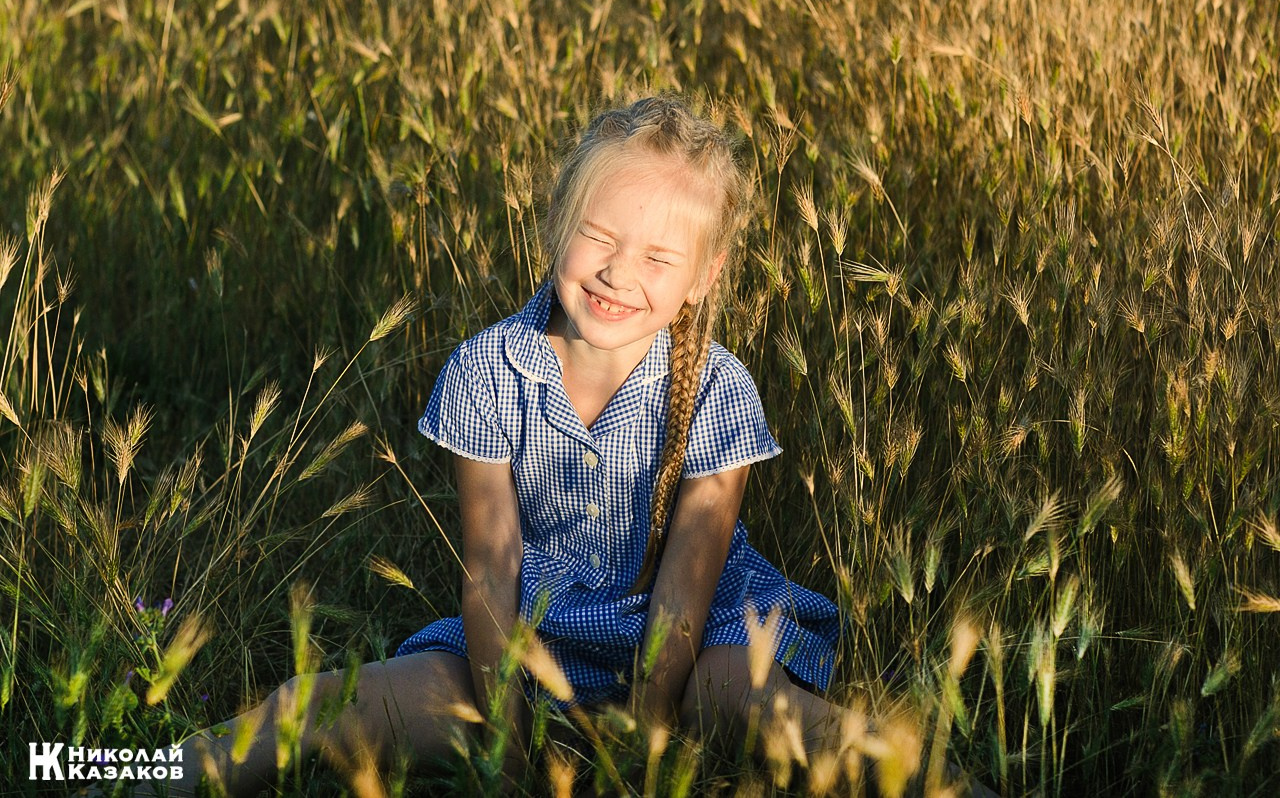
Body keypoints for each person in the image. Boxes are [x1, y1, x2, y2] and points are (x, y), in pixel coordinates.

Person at [151, 96, 972, 796]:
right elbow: (490, 568)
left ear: (706, 275)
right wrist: (505, 742)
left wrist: (642, 748)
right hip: (531, 631)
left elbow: (687, 594)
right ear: (555, 224)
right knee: (329, 703)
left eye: (658, 256)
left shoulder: (720, 390)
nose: (619, 274)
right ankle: (118, 768)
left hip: (699, 635)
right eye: (599, 236)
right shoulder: (489, 370)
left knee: (747, 704)